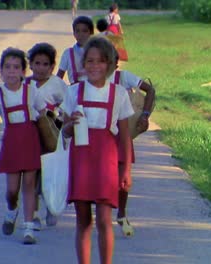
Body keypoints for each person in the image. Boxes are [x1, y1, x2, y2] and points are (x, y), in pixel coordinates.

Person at [60, 36, 134, 264]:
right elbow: (64, 131)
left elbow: (124, 136)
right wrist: (71, 124)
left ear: (110, 64)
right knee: (83, 221)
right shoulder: (73, 92)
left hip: (106, 161)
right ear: (83, 64)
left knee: (104, 219)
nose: (94, 66)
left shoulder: (119, 94)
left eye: (100, 61)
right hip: (81, 160)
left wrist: (126, 170)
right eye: (90, 61)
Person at [0, 47, 47, 245]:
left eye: (16, 67)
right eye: (7, 67)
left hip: (30, 141)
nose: (12, 71)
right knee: (12, 190)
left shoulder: (31, 91)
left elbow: (43, 112)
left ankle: (29, 228)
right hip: (11, 143)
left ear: (23, 71)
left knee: (29, 184)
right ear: (1, 71)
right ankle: (12, 210)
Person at [108, 49, 156, 237]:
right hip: (101, 135)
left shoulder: (123, 77)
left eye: (109, 60)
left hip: (122, 133)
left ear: (116, 63)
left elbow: (150, 89)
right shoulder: (91, 83)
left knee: (123, 178)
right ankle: (103, 213)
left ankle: (121, 213)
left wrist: (145, 115)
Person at [26, 42, 68, 229]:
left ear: (52, 67)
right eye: (37, 63)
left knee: (48, 172)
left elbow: (67, 106)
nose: (41, 68)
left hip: (51, 131)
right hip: (29, 134)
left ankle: (51, 206)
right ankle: (33, 214)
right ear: (31, 65)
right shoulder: (25, 84)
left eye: (45, 64)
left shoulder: (58, 84)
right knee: (31, 174)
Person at [56, 16, 94, 85]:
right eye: (77, 31)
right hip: (74, 92)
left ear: (91, 33)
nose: (81, 34)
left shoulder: (97, 53)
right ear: (74, 33)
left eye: (85, 31)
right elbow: (59, 76)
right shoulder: (68, 53)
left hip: (94, 91)